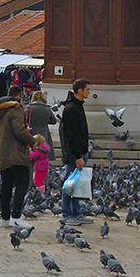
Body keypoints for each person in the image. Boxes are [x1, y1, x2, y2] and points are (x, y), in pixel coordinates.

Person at [0, 85, 37, 227]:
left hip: (2, 153)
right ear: (18, 96)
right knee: (23, 183)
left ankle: (5, 218)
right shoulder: (15, 109)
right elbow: (19, 130)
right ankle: (16, 216)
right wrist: (32, 141)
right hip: (16, 153)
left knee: (7, 185)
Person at [59, 79, 91, 225]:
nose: (89, 91)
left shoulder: (77, 106)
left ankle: (76, 213)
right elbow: (71, 135)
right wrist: (78, 156)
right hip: (74, 154)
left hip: (81, 151)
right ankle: (66, 214)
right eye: (87, 89)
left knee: (77, 184)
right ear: (79, 90)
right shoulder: (71, 108)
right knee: (70, 183)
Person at [26, 91, 57, 163]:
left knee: (32, 157)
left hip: (32, 134)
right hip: (44, 134)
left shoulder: (29, 107)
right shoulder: (47, 108)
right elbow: (54, 121)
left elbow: (25, 120)